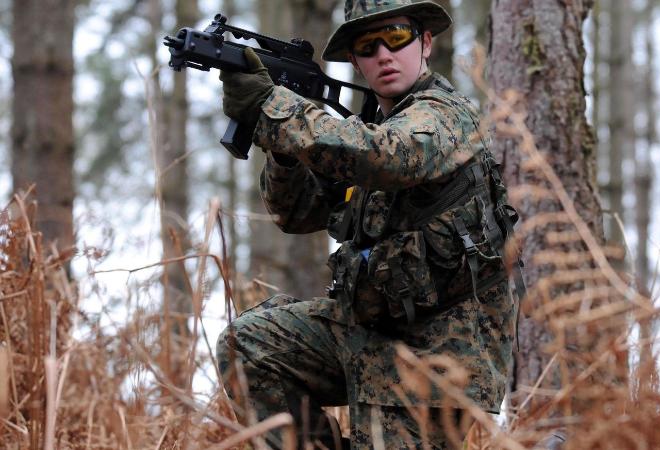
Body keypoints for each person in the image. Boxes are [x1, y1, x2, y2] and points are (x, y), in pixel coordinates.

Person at [216, 1, 520, 448]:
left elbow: (391, 156)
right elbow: (296, 212)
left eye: (396, 36)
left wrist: (277, 108)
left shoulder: (447, 114)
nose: (383, 54)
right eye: (366, 45)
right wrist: (282, 146)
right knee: (249, 347)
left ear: (426, 43)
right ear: (355, 61)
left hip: (435, 360)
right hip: (368, 334)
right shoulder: (361, 131)